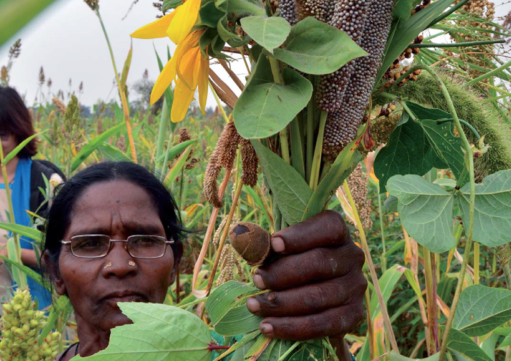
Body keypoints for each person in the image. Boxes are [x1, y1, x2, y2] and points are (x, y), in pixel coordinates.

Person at [43, 162, 366, 361]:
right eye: (89, 244)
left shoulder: (236, 353)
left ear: (176, 262)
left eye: (144, 240)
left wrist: (328, 339)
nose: (119, 264)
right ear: (55, 272)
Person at [0, 86, 65, 308]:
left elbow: (65, 256)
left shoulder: (48, 183)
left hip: (35, 317)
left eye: (2, 135)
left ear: (19, 131)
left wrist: (10, 252)